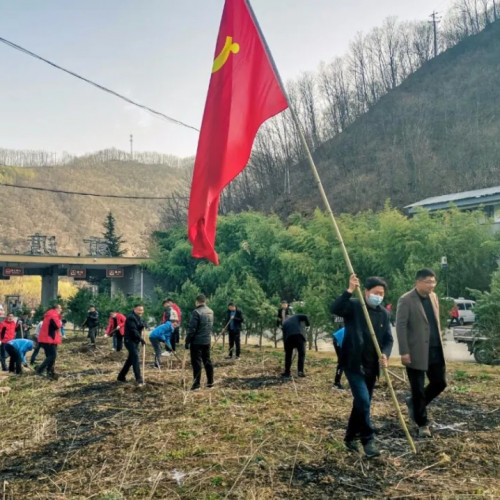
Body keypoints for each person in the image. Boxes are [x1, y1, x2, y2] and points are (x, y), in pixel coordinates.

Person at [331, 274, 393, 459]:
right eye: (376, 292)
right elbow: (335, 308)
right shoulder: (355, 306)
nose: (379, 296)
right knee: (364, 401)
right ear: (366, 292)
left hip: (372, 366)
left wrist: (385, 354)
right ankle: (368, 440)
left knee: (361, 403)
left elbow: (388, 339)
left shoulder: (384, 313)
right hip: (353, 363)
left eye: (381, 293)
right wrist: (349, 290)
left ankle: (350, 437)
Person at [396, 268, 447, 439]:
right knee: (417, 389)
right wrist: (404, 351)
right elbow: (401, 326)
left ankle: (414, 404)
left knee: (440, 383)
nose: (432, 285)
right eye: (428, 282)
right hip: (415, 351)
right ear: (418, 282)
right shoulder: (406, 300)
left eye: (434, 281)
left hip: (435, 349)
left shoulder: (434, 297)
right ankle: (422, 423)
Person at [185, 294, 214, 391]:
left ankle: (196, 384)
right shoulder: (210, 311)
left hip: (197, 341)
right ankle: (210, 382)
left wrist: (187, 341)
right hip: (207, 340)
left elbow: (192, 329)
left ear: (197, 302)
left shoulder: (196, 312)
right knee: (207, 360)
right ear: (205, 301)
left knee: (196, 362)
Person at [117, 304, 146, 384]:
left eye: (142, 310)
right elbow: (133, 330)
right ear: (134, 309)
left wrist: (143, 325)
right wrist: (141, 339)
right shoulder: (130, 318)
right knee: (135, 358)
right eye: (139, 310)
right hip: (129, 341)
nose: (140, 312)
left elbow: (140, 326)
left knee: (130, 360)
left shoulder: (139, 318)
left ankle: (121, 376)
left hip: (135, 341)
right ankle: (138, 378)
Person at [36, 303, 63, 380]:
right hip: (49, 339)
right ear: (56, 309)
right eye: (60, 308)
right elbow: (57, 326)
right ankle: (40, 370)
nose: (61, 310)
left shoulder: (49, 315)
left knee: (50, 356)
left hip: (46, 339)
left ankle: (50, 372)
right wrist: (60, 322)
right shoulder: (53, 315)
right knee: (52, 356)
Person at [281, 314, 310, 378]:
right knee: (301, 354)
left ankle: (287, 372)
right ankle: (300, 372)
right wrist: (308, 325)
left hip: (288, 339)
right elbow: (305, 316)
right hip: (298, 336)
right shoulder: (296, 316)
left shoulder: (284, 323)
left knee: (288, 355)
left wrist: (285, 349)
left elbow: (284, 336)